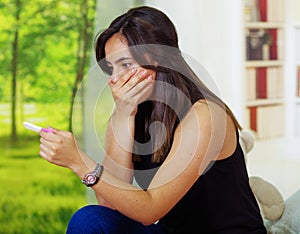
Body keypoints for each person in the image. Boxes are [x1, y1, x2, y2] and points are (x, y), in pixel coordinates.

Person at [39, 6, 267, 234]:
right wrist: (123, 118)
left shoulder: (205, 115)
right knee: (90, 219)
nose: (114, 79)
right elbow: (109, 206)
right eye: (111, 68)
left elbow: (150, 211)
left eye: (125, 65)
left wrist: (78, 161)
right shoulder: (128, 114)